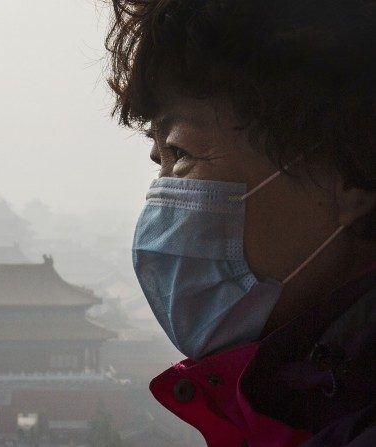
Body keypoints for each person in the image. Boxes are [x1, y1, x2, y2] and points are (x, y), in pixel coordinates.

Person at [105, 1, 375, 445]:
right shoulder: (299, 404)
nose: (162, 201)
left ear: (348, 177)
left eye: (183, 154)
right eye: (159, 160)